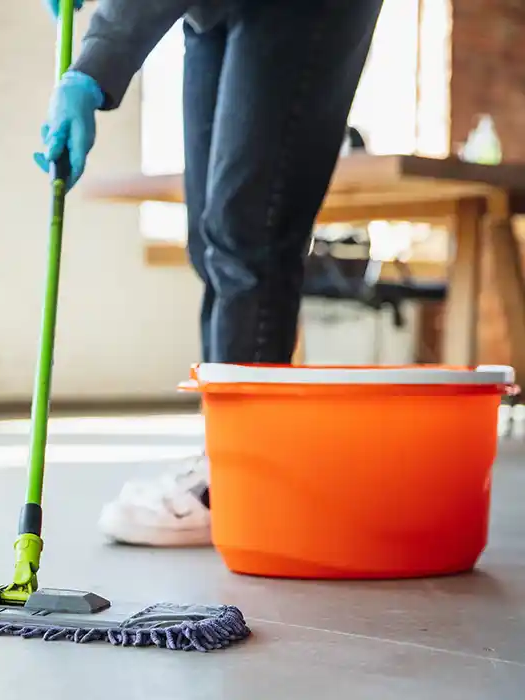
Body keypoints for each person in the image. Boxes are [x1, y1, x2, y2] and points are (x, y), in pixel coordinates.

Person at [34, 0, 385, 546]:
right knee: (209, 234)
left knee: (249, 234)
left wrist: (92, 68)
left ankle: (246, 475)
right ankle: (224, 451)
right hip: (215, 12)